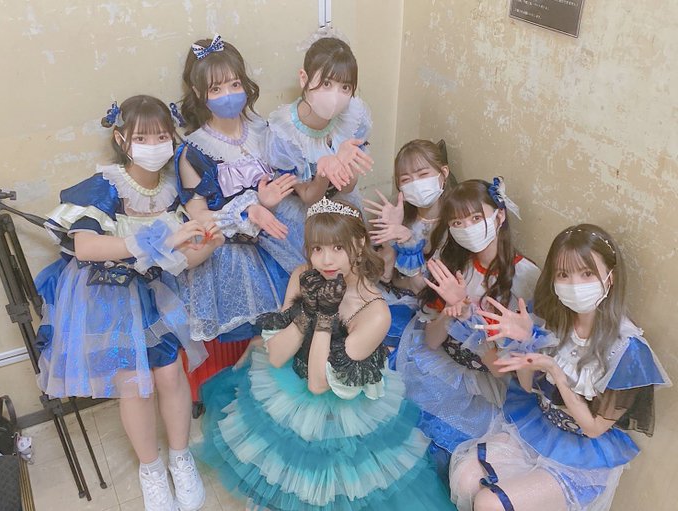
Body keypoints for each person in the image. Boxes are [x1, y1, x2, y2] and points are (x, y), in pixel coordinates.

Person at [196, 197, 456, 510]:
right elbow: (276, 357)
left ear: (359, 244)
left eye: (337, 247)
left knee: (336, 486)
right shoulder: (303, 275)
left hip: (342, 402)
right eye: (317, 248)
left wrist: (325, 315)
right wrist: (306, 309)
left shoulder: (375, 312)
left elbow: (319, 384)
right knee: (284, 470)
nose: (325, 260)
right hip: (293, 376)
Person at [36, 96, 220, 511]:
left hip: (156, 293)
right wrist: (157, 241)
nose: (153, 145)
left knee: (170, 374)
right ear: (122, 139)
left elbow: (179, 256)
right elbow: (85, 247)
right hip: (109, 296)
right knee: (134, 385)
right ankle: (150, 469)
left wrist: (207, 243)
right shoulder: (106, 185)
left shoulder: (171, 188)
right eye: (142, 137)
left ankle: (180, 458)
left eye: (161, 136)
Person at [449, 224, 671, 511]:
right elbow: (527, 386)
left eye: (587, 273)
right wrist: (526, 344)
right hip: (537, 426)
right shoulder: (549, 320)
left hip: (581, 452)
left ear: (610, 277)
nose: (574, 284)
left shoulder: (626, 350)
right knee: (465, 478)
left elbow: (593, 428)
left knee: (490, 503)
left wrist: (556, 372)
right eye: (563, 274)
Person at [396, 178, 540, 477]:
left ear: (499, 216)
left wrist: (469, 316)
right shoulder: (454, 264)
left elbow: (502, 369)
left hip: (486, 382)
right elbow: (432, 341)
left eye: (476, 218)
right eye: (457, 223)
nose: (467, 228)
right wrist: (452, 313)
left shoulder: (525, 277)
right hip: (443, 363)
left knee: (449, 458)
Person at [176, 34, 300, 346]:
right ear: (198, 92)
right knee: (260, 338)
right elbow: (198, 214)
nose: (228, 95)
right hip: (233, 254)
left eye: (234, 84)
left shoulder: (264, 130)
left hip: (283, 234)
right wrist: (248, 211)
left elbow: (289, 181)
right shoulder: (194, 151)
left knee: (301, 316)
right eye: (216, 89)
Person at [264, 35, 374, 257]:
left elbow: (347, 188)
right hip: (304, 209)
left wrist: (343, 162)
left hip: (339, 201)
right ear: (304, 78)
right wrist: (323, 172)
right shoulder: (284, 133)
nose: (335, 96)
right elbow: (308, 197)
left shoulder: (353, 116)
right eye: (326, 83)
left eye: (345, 87)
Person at [366, 139, 456, 351]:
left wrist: (409, 244)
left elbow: (423, 291)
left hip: (424, 306)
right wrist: (390, 236)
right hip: (389, 294)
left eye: (423, 174)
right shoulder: (400, 212)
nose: (416, 184)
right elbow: (384, 275)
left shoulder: (456, 224)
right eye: (406, 179)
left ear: (443, 173)